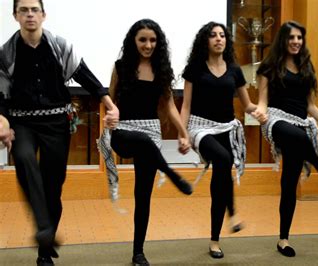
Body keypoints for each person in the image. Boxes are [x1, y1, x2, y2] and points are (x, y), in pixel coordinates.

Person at [0, 0, 119, 265]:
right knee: (23, 158)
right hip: (22, 123)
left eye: (34, 10)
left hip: (57, 124)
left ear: (43, 15)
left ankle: (45, 250)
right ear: (15, 16)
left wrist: (110, 105)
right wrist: (2, 121)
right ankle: (43, 227)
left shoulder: (60, 46)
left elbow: (86, 76)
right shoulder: (6, 53)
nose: (29, 14)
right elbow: (0, 96)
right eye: (24, 10)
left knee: (53, 189)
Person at [98, 19, 193, 266]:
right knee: (140, 140)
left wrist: (183, 133)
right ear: (134, 41)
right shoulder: (121, 66)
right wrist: (109, 117)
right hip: (123, 131)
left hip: (151, 132)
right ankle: (171, 173)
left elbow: (170, 105)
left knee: (143, 195)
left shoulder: (162, 70)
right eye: (143, 40)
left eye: (152, 40)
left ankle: (138, 252)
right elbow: (110, 99)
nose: (148, 45)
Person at [252, 20, 318, 258]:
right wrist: (261, 111)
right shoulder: (268, 67)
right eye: (291, 37)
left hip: (301, 122)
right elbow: (262, 100)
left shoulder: (305, 66)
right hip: (276, 120)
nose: (295, 42)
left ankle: (283, 239)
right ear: (283, 40)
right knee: (297, 136)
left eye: (299, 38)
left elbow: (310, 106)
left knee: (289, 184)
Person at [180, 21, 254, 259]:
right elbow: (186, 105)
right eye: (213, 35)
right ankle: (233, 213)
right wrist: (183, 133)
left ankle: (215, 240)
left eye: (222, 35)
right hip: (200, 128)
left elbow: (247, 104)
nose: (218, 39)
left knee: (222, 175)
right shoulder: (195, 68)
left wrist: (262, 110)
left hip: (227, 129)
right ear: (206, 40)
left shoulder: (234, 69)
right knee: (223, 160)